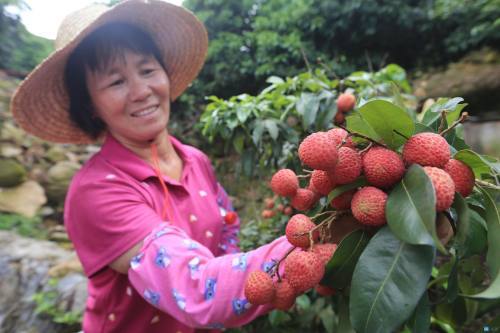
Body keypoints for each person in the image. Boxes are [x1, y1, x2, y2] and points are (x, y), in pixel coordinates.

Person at [10, 1, 295, 332]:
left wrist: (229, 269)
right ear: (91, 106)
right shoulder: (97, 191)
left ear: (165, 75)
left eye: (147, 71)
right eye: (116, 82)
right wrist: (310, 244)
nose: (142, 91)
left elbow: (227, 223)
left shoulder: (195, 160)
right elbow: (197, 289)